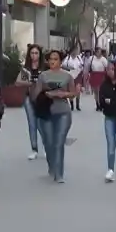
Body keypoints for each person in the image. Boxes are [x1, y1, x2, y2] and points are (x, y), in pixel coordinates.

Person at [34, 49, 76, 184]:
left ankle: (59, 174)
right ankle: (52, 165)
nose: (53, 61)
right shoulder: (43, 76)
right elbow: (35, 95)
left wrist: (64, 94)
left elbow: (73, 93)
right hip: (46, 113)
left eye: (56, 59)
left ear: (60, 61)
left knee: (58, 143)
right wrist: (48, 94)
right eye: (50, 59)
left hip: (63, 112)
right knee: (49, 142)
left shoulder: (67, 76)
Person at [21, 43, 45, 159]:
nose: (34, 55)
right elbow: (18, 81)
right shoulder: (26, 68)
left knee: (42, 123)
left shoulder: (44, 67)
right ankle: (34, 149)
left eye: (36, 53)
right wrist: (30, 82)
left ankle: (46, 146)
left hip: (42, 98)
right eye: (32, 53)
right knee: (32, 123)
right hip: (28, 98)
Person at [62, 47, 83, 111]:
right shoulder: (68, 58)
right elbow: (63, 65)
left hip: (78, 74)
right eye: (75, 51)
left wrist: (80, 67)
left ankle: (77, 105)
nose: (76, 52)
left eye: (77, 51)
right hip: (70, 75)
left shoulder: (79, 58)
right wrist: (69, 67)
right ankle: (72, 105)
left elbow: (82, 65)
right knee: (71, 91)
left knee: (78, 90)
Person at [89, 46, 108, 110]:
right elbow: (88, 66)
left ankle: (101, 104)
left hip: (101, 75)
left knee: (101, 91)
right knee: (96, 91)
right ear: (95, 52)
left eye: (100, 52)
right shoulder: (91, 58)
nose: (99, 53)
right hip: (94, 75)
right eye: (98, 52)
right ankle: (97, 104)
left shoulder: (103, 59)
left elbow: (107, 67)